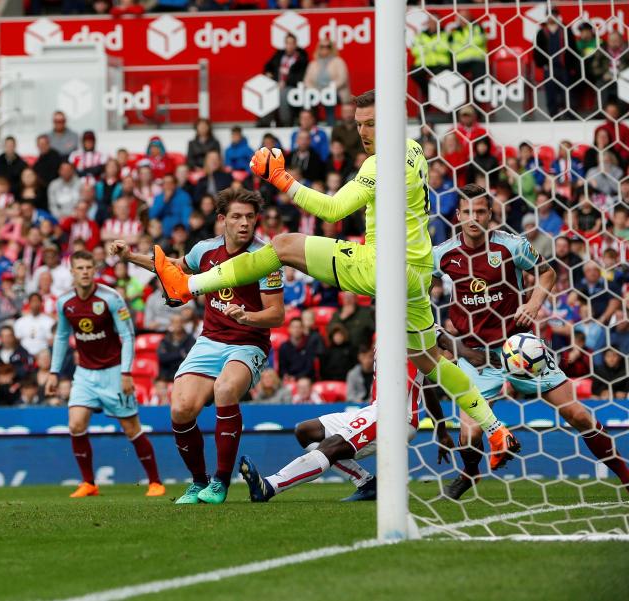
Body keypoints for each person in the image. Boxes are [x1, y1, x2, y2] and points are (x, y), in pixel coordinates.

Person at [151, 90, 520, 471]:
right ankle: (494, 429)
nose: (363, 131)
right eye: (359, 124)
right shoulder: (413, 149)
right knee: (431, 360)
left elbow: (333, 209)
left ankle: (188, 286)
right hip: (417, 273)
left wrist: (279, 177)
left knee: (282, 245)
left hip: (382, 265)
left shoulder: (381, 164)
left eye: (372, 123)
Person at [432, 184, 629, 498]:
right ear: (458, 215)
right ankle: (470, 474)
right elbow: (418, 291)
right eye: (468, 212)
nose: (474, 218)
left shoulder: (511, 246)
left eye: (480, 211)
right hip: (477, 356)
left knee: (577, 414)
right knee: (468, 434)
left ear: (490, 214)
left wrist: (533, 304)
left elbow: (546, 273)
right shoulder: (441, 254)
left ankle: (625, 474)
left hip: (521, 350)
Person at [111, 187, 284, 504]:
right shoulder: (204, 251)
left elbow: (277, 314)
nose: (244, 223)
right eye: (236, 217)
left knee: (225, 389)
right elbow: (173, 270)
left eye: (249, 217)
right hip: (210, 341)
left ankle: (219, 483)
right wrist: (130, 257)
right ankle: (198, 482)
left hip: (247, 344)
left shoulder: (265, 258)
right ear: (222, 220)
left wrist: (247, 317)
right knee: (180, 409)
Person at [46, 250, 165, 498]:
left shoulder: (110, 298)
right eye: (80, 268)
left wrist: (126, 372)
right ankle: (89, 483)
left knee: (131, 428)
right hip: (85, 374)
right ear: (72, 272)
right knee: (76, 424)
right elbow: (60, 337)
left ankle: (155, 481)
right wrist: (54, 372)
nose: (85, 272)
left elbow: (128, 335)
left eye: (89, 267)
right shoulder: (64, 302)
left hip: (113, 372)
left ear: (94, 270)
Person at [240, 362, 428, 503]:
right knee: (305, 431)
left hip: (396, 415)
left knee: (333, 446)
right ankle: (366, 483)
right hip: (375, 409)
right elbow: (424, 380)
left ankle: (269, 487)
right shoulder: (386, 329)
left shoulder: (421, 327)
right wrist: (442, 428)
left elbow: (435, 364)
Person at [534, 9, 579, 118]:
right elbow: (537, 51)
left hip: (564, 68)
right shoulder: (541, 32)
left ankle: (570, 115)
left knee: (567, 93)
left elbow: (573, 48)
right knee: (551, 93)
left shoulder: (565, 30)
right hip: (549, 68)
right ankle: (554, 115)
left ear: (557, 15)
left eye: (553, 14)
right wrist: (542, 64)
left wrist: (572, 66)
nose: (551, 17)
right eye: (549, 14)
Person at [263, 34, 308, 126]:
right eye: (287, 43)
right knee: (266, 93)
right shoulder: (279, 55)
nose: (290, 46)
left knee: (282, 94)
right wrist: (268, 72)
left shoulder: (302, 58)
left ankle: (286, 123)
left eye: (292, 43)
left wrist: (286, 82)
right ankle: (264, 123)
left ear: (296, 45)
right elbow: (268, 66)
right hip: (276, 85)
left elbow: (301, 76)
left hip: (293, 87)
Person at [303, 38, 350, 125]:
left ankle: (331, 125)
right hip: (317, 92)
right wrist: (314, 90)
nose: (325, 49)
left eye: (327, 46)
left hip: (335, 92)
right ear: (318, 48)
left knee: (328, 97)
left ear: (331, 48)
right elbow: (307, 81)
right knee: (309, 98)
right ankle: (312, 125)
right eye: (322, 46)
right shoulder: (313, 64)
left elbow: (342, 79)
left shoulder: (338, 61)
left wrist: (328, 89)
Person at [411, 18, 451, 102]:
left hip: (440, 64)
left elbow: (446, 48)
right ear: (427, 23)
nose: (432, 24)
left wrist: (426, 48)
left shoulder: (445, 34)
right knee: (415, 74)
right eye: (431, 22)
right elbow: (415, 50)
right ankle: (428, 94)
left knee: (444, 78)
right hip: (423, 64)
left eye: (435, 22)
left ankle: (438, 98)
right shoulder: (420, 35)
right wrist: (434, 47)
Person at [449, 9, 487, 81]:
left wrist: (463, 44)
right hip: (460, 61)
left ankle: (477, 91)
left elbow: (480, 40)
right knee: (452, 76)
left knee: (479, 74)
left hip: (476, 59)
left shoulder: (478, 28)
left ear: (470, 17)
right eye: (460, 17)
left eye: (465, 17)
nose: (463, 19)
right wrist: (469, 43)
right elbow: (453, 47)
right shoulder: (454, 32)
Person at [150, 174, 191, 238]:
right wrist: (164, 201)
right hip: (161, 234)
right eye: (165, 183)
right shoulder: (159, 197)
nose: (168, 186)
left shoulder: (184, 196)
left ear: (175, 184)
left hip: (178, 233)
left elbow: (186, 216)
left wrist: (183, 230)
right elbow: (152, 215)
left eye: (170, 183)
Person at [156, 314, 194, 381]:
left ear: (184, 324)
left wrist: (170, 356)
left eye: (180, 322)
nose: (178, 324)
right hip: (166, 377)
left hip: (183, 376)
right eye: (176, 322)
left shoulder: (190, 340)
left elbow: (189, 359)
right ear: (171, 324)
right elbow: (162, 358)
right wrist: (180, 354)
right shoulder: (165, 340)